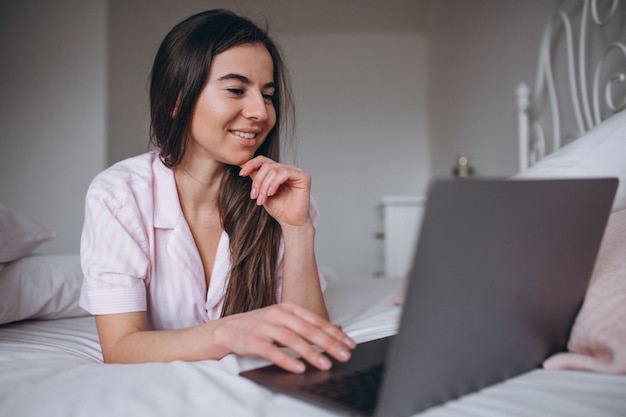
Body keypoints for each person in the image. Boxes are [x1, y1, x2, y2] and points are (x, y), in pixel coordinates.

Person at [79, 9, 355, 374]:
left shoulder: (278, 197)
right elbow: (120, 347)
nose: (260, 112)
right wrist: (226, 333)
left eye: (268, 95)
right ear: (178, 99)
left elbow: (309, 338)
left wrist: (298, 229)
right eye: (236, 90)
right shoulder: (119, 195)